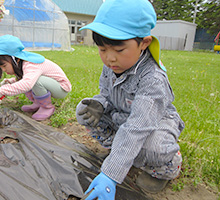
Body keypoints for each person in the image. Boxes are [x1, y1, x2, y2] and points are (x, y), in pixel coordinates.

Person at [75, 0, 185, 199]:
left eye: (118, 50)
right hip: (122, 117)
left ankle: (167, 167)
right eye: (102, 50)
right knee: (84, 110)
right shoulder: (112, 67)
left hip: (153, 124)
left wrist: (111, 173)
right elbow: (106, 94)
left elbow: (138, 127)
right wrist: (100, 104)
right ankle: (118, 151)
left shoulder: (153, 79)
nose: (110, 59)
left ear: (144, 43)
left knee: (153, 148)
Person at [0, 35, 72, 121]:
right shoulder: (22, 64)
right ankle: (38, 103)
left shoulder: (30, 65)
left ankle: (47, 107)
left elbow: (27, 84)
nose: (3, 70)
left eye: (4, 66)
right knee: (25, 80)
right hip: (50, 84)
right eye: (0, 67)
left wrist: (0, 91)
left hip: (61, 88)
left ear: (16, 59)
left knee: (33, 81)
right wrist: (11, 82)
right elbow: (25, 79)